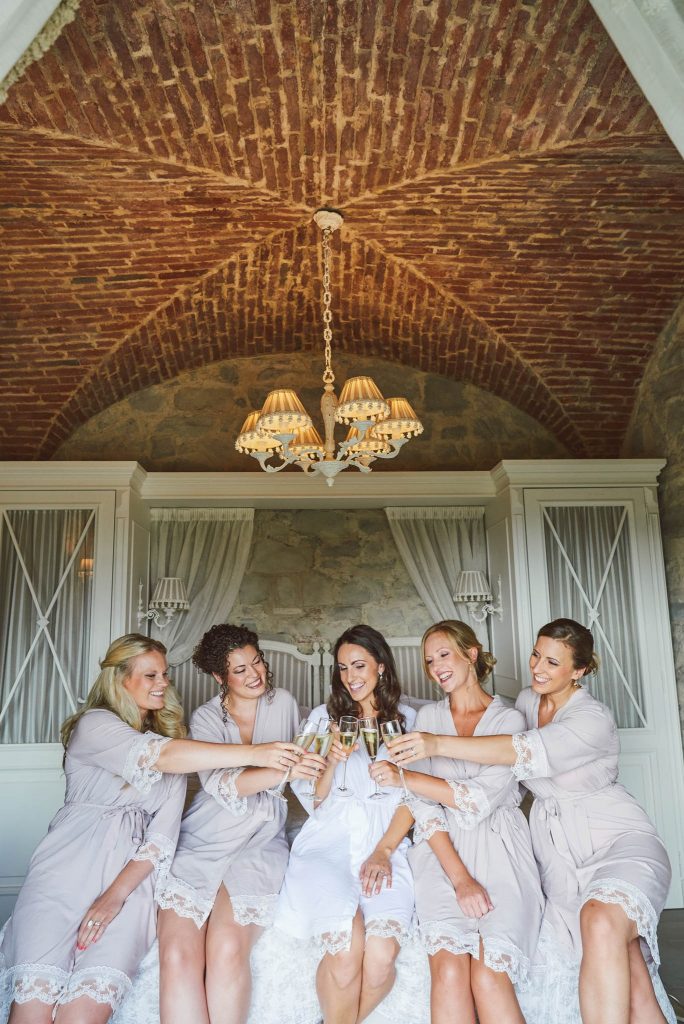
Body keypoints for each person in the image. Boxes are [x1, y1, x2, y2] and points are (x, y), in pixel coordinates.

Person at [0, 633, 302, 1024]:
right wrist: (258, 753)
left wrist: (115, 896)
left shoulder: (171, 739)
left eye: (164, 674)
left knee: (83, 1014)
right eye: (150, 675)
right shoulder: (96, 725)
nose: (162, 683)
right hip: (69, 868)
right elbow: (162, 758)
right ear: (120, 680)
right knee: (32, 1008)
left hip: (135, 878)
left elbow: (162, 835)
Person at [388, 618, 676, 1024]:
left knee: (601, 920)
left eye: (553, 662)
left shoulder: (592, 719)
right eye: (537, 655)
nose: (539, 667)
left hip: (615, 835)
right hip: (557, 851)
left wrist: (430, 748)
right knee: (630, 963)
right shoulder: (526, 701)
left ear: (579, 671)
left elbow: (519, 751)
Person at [367, 620, 543, 1024]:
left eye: (444, 654)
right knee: (447, 971)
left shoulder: (509, 721)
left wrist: (408, 777)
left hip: (500, 846)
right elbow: (423, 806)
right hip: (441, 850)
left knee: (489, 977)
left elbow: (479, 799)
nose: (436, 667)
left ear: (471, 654)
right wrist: (460, 878)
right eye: (429, 661)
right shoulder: (427, 716)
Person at [156, 624, 325, 1024]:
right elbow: (223, 785)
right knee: (178, 954)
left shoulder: (283, 702)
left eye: (257, 662)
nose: (255, 675)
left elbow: (316, 731)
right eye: (240, 669)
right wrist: (279, 766)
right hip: (207, 835)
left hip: (261, 838)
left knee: (228, 947)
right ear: (219, 677)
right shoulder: (205, 718)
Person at [273, 624, 417, 1024]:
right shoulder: (323, 718)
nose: (351, 677)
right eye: (342, 668)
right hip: (329, 841)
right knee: (347, 949)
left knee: (382, 956)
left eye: (359, 665)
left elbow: (416, 796)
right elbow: (315, 801)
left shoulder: (409, 719)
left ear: (381, 667)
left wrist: (384, 850)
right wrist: (334, 758)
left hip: (386, 841)